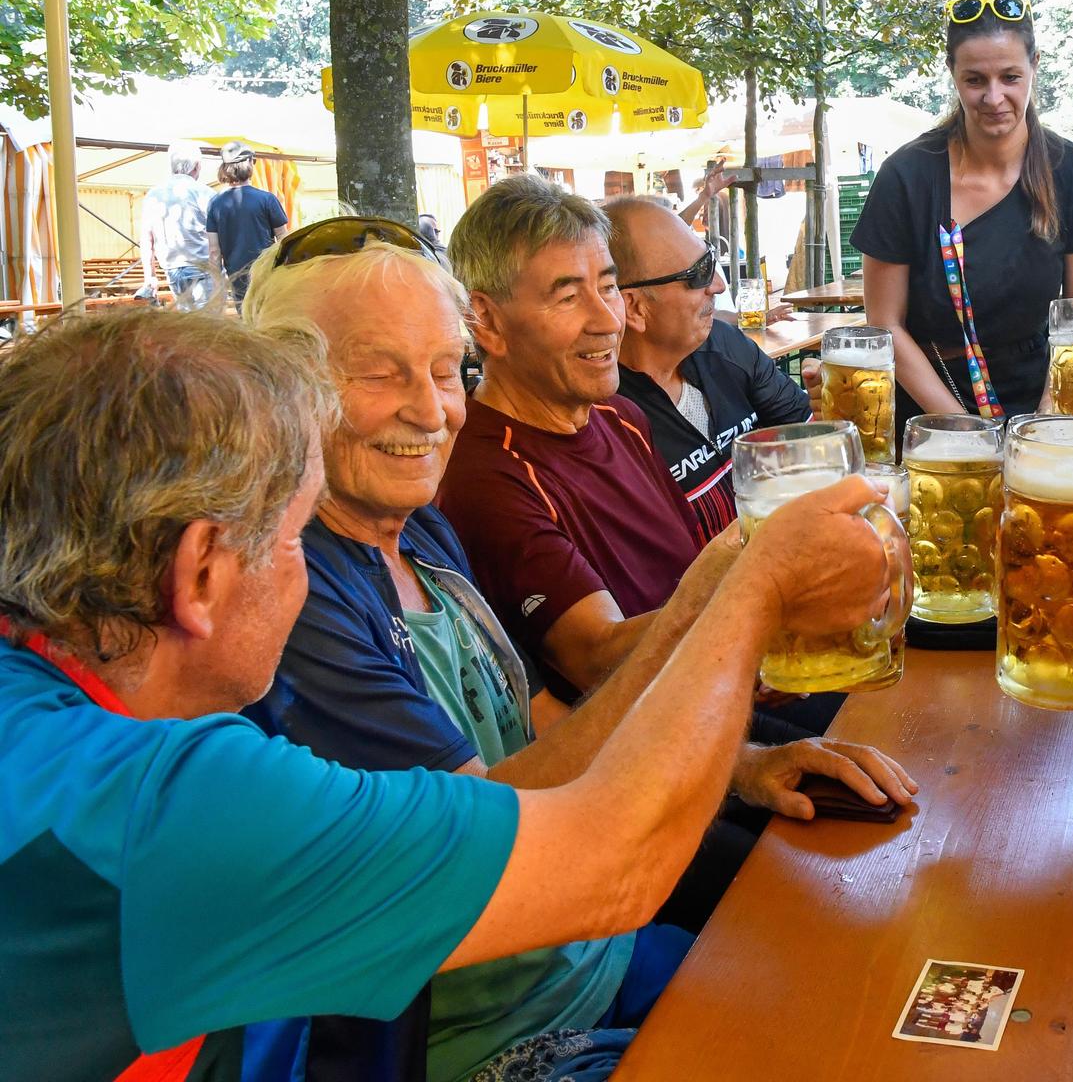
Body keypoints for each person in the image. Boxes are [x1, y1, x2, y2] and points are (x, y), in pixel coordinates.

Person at [0, 305, 904, 1082]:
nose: (308, 573)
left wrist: (715, 589)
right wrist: (757, 599)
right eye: (290, 538)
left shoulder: (52, 710)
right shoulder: (170, 809)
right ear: (199, 576)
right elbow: (610, 865)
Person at [236, 231, 911, 1080]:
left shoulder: (418, 527)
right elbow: (487, 845)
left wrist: (744, 762)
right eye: (378, 373)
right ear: (283, 394)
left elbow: (540, 720)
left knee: (885, 973)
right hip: (493, 1044)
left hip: (601, 961)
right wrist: (741, 597)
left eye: (445, 372)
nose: (431, 409)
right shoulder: (294, 600)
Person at [436, 176, 706, 703]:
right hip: (645, 747)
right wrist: (758, 596)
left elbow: (691, 577)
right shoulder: (483, 475)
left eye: (607, 287)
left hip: (720, 690)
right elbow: (595, 659)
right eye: (567, 296)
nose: (607, 320)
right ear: (484, 321)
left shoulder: (621, 417)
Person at [850, 0, 1073, 419]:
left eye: (1010, 77)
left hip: (1044, 400)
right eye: (975, 80)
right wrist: (964, 432)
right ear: (953, 74)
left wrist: (1042, 425)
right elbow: (885, 324)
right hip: (930, 410)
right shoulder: (905, 176)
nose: (994, 98)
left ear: (1035, 65)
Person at [605, 196, 811, 540]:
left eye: (710, 259)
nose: (718, 284)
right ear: (635, 308)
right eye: (698, 274)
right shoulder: (606, 420)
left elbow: (808, 444)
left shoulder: (723, 344)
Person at [205, 140, 289, 302]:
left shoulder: (215, 204)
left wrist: (217, 284)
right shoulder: (267, 199)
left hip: (236, 275)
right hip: (265, 272)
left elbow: (214, 251)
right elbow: (283, 239)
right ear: (249, 163)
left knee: (245, 319)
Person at [139, 139, 217, 311]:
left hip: (172, 269)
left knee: (187, 326)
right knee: (210, 329)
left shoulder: (153, 195)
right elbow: (218, 236)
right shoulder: (205, 193)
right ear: (196, 166)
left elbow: (146, 239)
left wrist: (150, 276)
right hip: (202, 267)